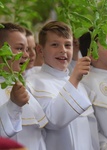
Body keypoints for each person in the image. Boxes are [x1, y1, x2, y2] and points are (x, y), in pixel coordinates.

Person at [26, 21, 100, 150]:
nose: (63, 50)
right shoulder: (33, 84)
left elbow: (91, 129)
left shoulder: (79, 85)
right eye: (55, 45)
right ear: (40, 49)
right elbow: (54, 121)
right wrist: (74, 79)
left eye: (68, 45)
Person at [0, 22, 48, 150]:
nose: (27, 55)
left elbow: (39, 137)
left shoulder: (23, 84)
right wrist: (13, 104)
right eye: (20, 48)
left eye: (27, 49)